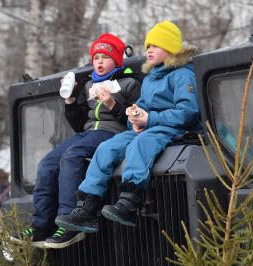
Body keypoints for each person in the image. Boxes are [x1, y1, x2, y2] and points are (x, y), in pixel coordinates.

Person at [56, 20, 200, 233]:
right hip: (147, 126)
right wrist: (135, 115)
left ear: (170, 49)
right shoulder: (151, 77)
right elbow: (141, 105)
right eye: (148, 45)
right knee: (107, 148)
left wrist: (148, 119)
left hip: (172, 128)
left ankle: (130, 201)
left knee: (141, 144)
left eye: (155, 46)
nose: (148, 50)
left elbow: (187, 112)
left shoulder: (183, 75)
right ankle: (88, 207)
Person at [10, 33, 141, 248]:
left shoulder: (130, 83)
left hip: (113, 133)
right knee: (47, 163)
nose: (99, 61)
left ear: (117, 59)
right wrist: (70, 100)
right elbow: (80, 123)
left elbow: (136, 119)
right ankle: (41, 225)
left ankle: (69, 222)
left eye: (105, 57)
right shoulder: (89, 85)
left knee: (73, 156)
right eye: (96, 57)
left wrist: (111, 104)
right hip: (88, 133)